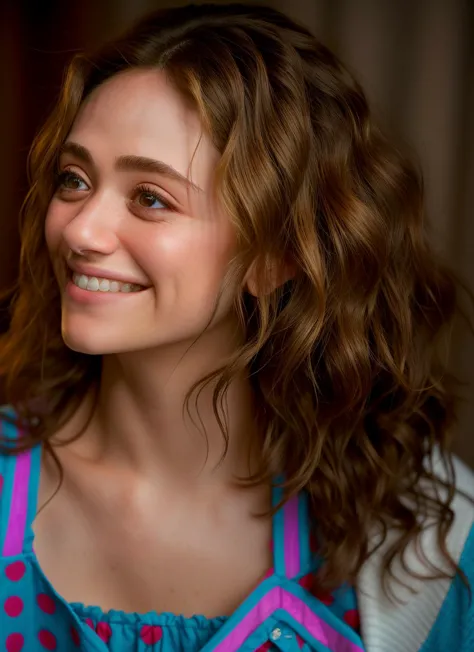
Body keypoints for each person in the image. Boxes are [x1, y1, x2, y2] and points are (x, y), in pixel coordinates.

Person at [0, 3, 472, 651]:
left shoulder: (421, 537)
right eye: (75, 179)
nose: (79, 229)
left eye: (151, 198)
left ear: (276, 256)